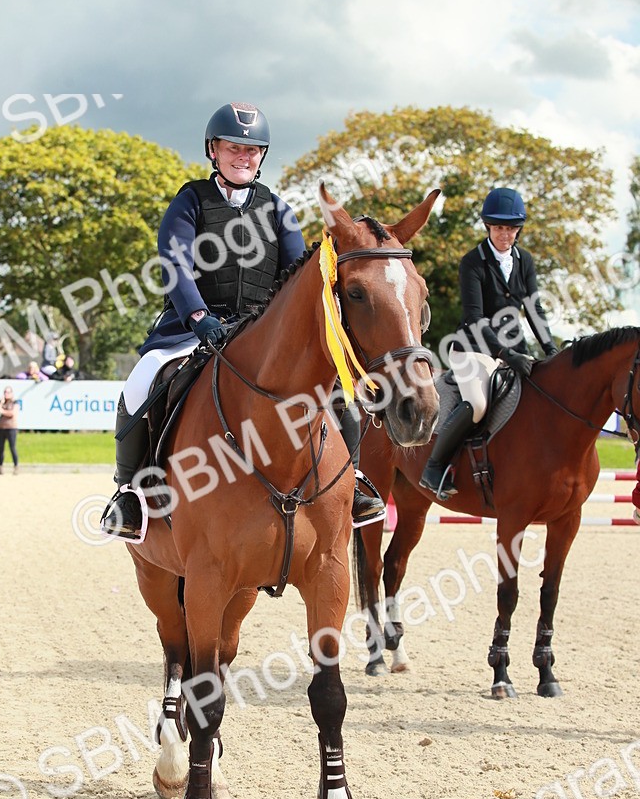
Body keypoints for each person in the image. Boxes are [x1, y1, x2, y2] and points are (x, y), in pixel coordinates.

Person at [102, 101, 386, 539]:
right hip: (194, 327)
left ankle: (355, 481)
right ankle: (129, 494)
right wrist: (198, 317)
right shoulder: (190, 201)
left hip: (262, 333)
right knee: (141, 381)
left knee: (335, 390)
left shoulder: (278, 210)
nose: (243, 156)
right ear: (213, 150)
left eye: (252, 150)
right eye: (233, 147)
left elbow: (298, 277)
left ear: (262, 156)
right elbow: (175, 265)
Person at [420, 187, 558, 499]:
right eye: (498, 228)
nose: (505, 235)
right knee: (479, 405)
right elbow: (475, 318)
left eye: (510, 228)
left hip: (514, 350)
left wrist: (550, 350)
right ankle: (434, 466)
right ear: (488, 227)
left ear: (518, 229)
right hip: (472, 349)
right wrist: (506, 354)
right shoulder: (473, 262)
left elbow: (534, 309)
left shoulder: (525, 261)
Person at [0, 386, 19, 474]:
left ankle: (16, 467)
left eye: (8, 392)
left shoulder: (15, 402)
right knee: (1, 449)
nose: (6, 394)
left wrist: (2, 411)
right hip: (1, 429)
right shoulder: (2, 402)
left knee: (12, 448)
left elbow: (12, 413)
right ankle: (0, 468)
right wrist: (1, 403)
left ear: (12, 393)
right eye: (5, 392)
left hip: (11, 428)